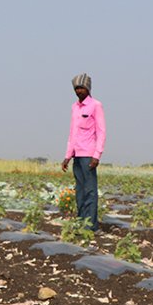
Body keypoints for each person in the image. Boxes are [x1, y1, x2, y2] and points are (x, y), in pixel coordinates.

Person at [61, 73, 106, 231]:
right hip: (76, 156)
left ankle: (91, 226)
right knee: (80, 191)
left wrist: (97, 155)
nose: (79, 91)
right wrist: (67, 156)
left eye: (82, 88)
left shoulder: (95, 105)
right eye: (76, 88)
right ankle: (81, 223)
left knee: (90, 191)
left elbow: (101, 132)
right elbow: (72, 133)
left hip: (88, 155)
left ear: (88, 88)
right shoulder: (75, 107)